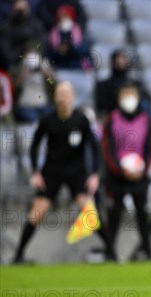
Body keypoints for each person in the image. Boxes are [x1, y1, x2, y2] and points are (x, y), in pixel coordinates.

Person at [12, 81, 112, 263]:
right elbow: (35, 146)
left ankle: (111, 252)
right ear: (55, 97)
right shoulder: (47, 120)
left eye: (67, 93)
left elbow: (95, 147)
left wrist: (95, 174)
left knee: (89, 211)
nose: (63, 97)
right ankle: (18, 255)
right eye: (60, 93)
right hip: (52, 170)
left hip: (76, 171)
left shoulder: (81, 120)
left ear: (73, 96)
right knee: (38, 211)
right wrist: (35, 172)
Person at [102, 81, 151, 260]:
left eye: (131, 94)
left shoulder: (146, 120)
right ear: (119, 98)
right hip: (117, 176)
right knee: (114, 215)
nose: (129, 99)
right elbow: (106, 148)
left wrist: (143, 170)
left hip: (140, 176)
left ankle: (147, 251)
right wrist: (119, 169)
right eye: (125, 95)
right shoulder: (111, 119)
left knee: (142, 214)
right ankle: (110, 252)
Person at [94, 49, 151, 120]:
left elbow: (147, 100)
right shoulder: (102, 86)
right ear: (112, 62)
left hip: (134, 120)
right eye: (117, 59)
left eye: (123, 59)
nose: (120, 62)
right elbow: (101, 107)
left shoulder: (136, 84)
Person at [46, 4, 91, 70]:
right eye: (61, 17)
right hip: (59, 62)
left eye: (66, 17)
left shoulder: (76, 30)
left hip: (75, 62)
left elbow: (80, 49)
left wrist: (69, 48)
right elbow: (51, 50)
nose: (63, 20)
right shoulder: (54, 31)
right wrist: (58, 50)